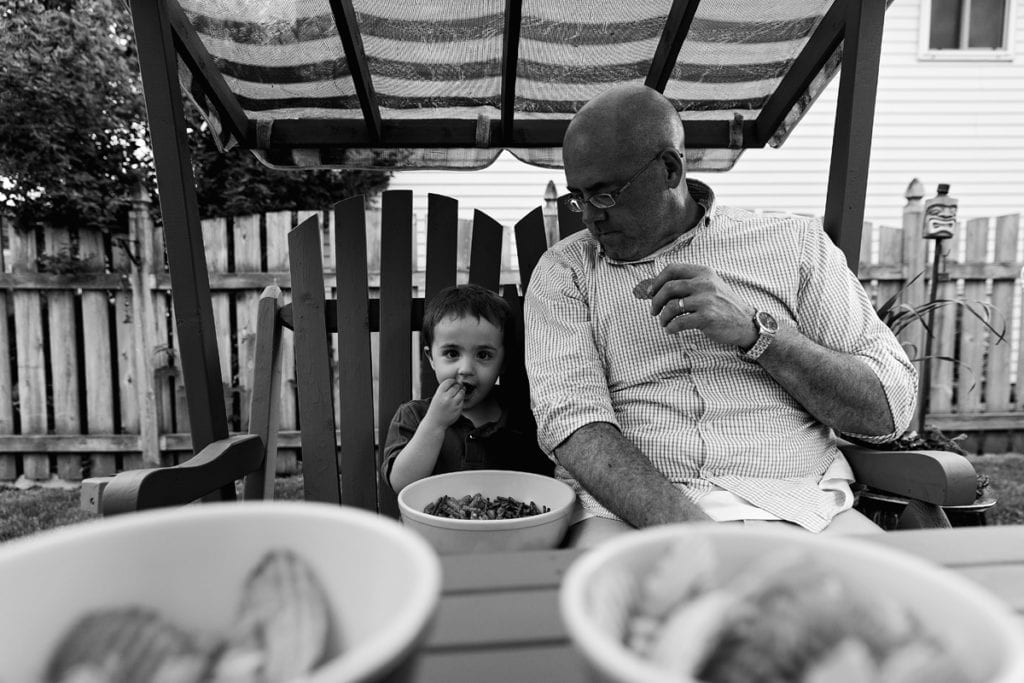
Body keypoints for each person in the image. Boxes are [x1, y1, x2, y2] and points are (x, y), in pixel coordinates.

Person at [524, 83, 917, 546]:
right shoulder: (567, 270)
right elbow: (574, 425)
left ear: (669, 169)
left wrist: (758, 333)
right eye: (579, 196)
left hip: (802, 506)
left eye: (605, 195)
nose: (590, 217)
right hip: (630, 519)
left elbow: (888, 411)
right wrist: (703, 541)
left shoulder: (795, 245)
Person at [383, 284, 553, 493]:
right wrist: (435, 424)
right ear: (431, 358)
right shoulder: (414, 416)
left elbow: (545, 482)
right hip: (434, 515)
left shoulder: (520, 417)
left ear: (503, 362)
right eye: (452, 353)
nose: (466, 369)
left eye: (483, 355)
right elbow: (401, 484)